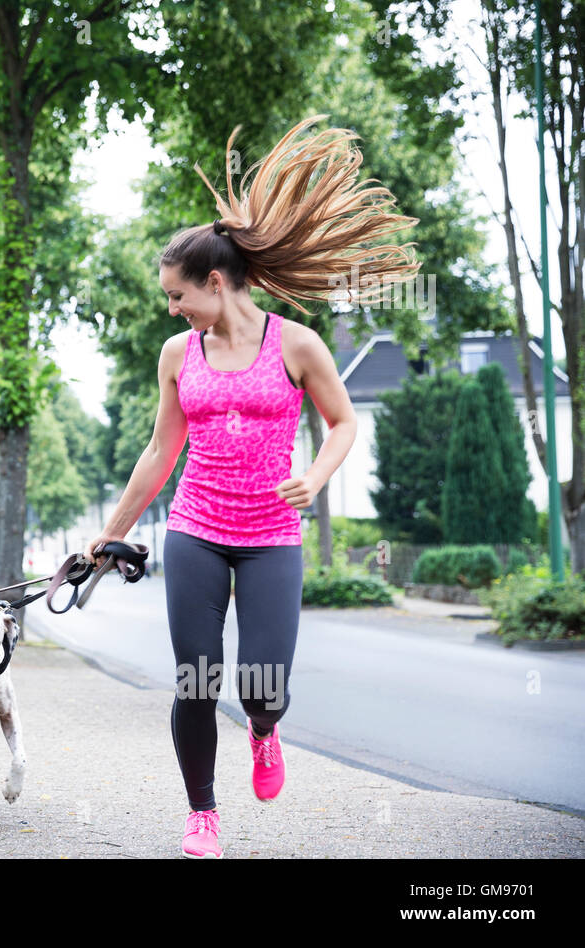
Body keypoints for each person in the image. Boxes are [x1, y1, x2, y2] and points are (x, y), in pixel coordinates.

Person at [84, 115, 419, 858]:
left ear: (213, 282)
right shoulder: (179, 354)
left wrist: (316, 478)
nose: (170, 310)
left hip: (271, 536)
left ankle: (265, 731)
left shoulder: (296, 344)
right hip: (197, 527)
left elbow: (341, 425)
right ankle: (202, 812)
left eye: (176, 295)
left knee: (261, 686)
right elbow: (159, 451)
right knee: (196, 680)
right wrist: (109, 535)